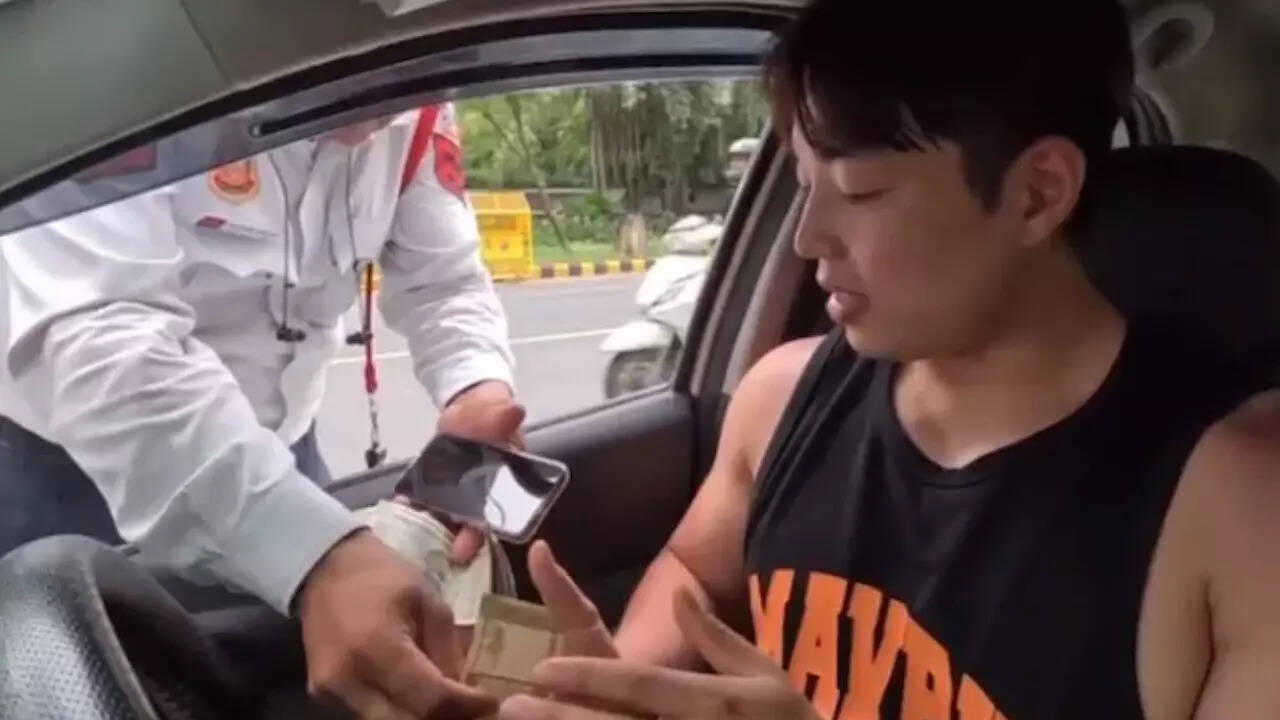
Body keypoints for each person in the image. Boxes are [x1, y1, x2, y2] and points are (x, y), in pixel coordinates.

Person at [496, 2, 1280, 719]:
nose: (808, 237)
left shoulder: (1237, 511)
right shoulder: (781, 400)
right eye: (803, 182)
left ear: (1037, 193)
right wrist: (615, 684)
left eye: (861, 191)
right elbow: (696, 573)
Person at [0, 104, 515, 717]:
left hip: (286, 457)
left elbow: (445, 283)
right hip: (66, 473)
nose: (379, 124)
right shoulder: (130, 79)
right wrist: (317, 556)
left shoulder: (414, 103)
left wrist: (475, 389)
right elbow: (102, 337)